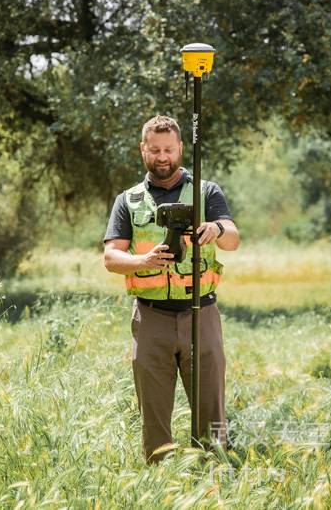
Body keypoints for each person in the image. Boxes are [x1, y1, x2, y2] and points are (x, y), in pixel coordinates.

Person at [102, 114, 240, 464]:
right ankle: (162, 481)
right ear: (143, 150)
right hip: (150, 319)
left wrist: (216, 230)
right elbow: (110, 257)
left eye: (168, 149)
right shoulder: (128, 200)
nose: (162, 157)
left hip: (200, 315)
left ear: (180, 148)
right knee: (154, 413)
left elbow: (233, 238)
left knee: (211, 413)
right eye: (155, 150)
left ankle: (214, 477)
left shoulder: (207, 192)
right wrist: (143, 261)